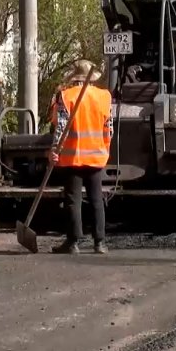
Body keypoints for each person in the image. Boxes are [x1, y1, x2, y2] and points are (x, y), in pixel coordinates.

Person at [49, 59, 114, 255]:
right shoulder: (104, 96)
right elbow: (108, 128)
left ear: (74, 77)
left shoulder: (66, 96)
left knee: (72, 200)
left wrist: (54, 150)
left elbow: (60, 127)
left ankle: (73, 242)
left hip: (73, 157)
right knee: (96, 199)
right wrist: (104, 149)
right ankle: (100, 242)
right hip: (96, 156)